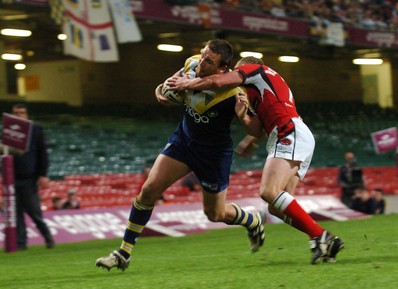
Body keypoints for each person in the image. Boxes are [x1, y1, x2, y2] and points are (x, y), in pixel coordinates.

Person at [95, 39, 266, 271]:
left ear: (222, 69)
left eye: (209, 61)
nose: (202, 63)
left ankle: (252, 220)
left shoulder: (235, 92)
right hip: (183, 142)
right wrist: (160, 92)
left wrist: (246, 124)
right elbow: (165, 86)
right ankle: (124, 252)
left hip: (213, 154)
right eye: (203, 55)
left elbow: (258, 127)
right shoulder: (191, 64)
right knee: (149, 190)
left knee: (214, 213)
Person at [166, 55, 344, 264]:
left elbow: (217, 82)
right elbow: (258, 127)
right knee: (277, 206)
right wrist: (244, 121)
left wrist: (185, 82)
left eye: (238, 73)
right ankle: (321, 239)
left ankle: (322, 236)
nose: (236, 77)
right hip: (295, 135)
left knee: (269, 191)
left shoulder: (256, 71)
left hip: (288, 133)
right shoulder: (258, 90)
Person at [11, 103, 54, 250]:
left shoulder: (35, 130)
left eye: (21, 113)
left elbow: (43, 153)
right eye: (16, 113)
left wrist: (43, 175)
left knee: (34, 211)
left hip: (29, 179)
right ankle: (21, 244)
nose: (19, 115)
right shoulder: (8, 132)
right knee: (15, 214)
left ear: (27, 115)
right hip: (12, 179)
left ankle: (47, 236)